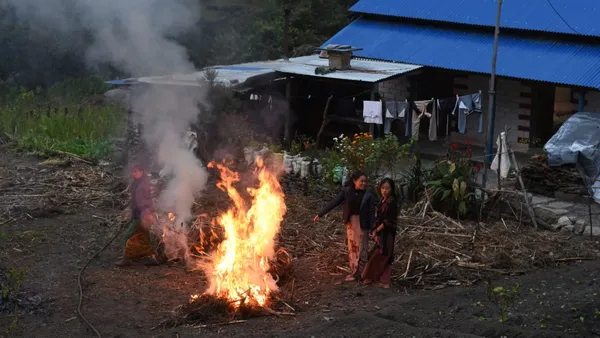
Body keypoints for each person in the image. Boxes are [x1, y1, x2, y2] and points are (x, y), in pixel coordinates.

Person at [314, 171, 375, 282]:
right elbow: (334, 202)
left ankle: (363, 273)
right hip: (351, 222)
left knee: (363, 248)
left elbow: (372, 211)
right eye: (361, 181)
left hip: (363, 223)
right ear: (354, 181)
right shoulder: (347, 192)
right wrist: (320, 213)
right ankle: (354, 272)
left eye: (365, 181)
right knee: (353, 248)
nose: (363, 183)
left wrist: (372, 228)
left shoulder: (368, 195)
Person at [116, 164, 159, 266]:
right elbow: (136, 201)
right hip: (141, 215)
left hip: (142, 216)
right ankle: (151, 258)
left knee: (127, 236)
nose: (133, 173)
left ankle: (126, 259)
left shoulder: (142, 185)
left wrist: (145, 215)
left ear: (141, 172)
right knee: (145, 237)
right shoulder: (138, 182)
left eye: (135, 171)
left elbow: (144, 202)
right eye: (132, 171)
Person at [361, 178, 398, 288]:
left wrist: (376, 230)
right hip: (381, 232)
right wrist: (375, 230)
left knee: (382, 255)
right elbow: (378, 218)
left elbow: (388, 221)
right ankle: (382, 280)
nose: (384, 191)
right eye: (382, 188)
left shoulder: (391, 203)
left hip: (387, 234)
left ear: (391, 189)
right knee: (382, 256)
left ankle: (378, 279)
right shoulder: (383, 201)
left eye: (387, 188)